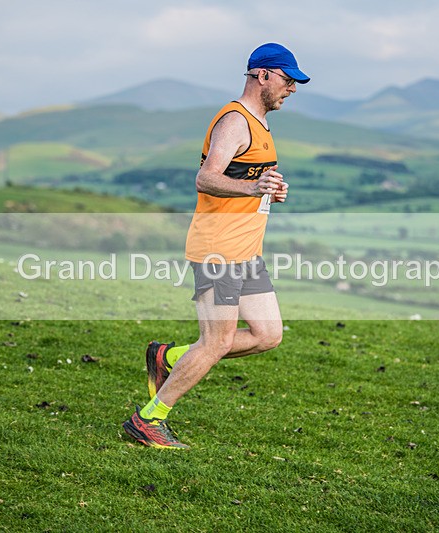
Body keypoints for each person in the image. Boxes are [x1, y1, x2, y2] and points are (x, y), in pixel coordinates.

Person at [123, 42, 310, 449]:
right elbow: (206, 178)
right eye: (287, 79)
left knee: (268, 335)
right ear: (263, 75)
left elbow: (248, 182)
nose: (292, 88)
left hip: (246, 252)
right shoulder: (234, 121)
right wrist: (251, 186)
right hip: (218, 250)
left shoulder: (261, 125)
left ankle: (168, 358)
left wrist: (268, 191)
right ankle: (148, 419)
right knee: (217, 342)